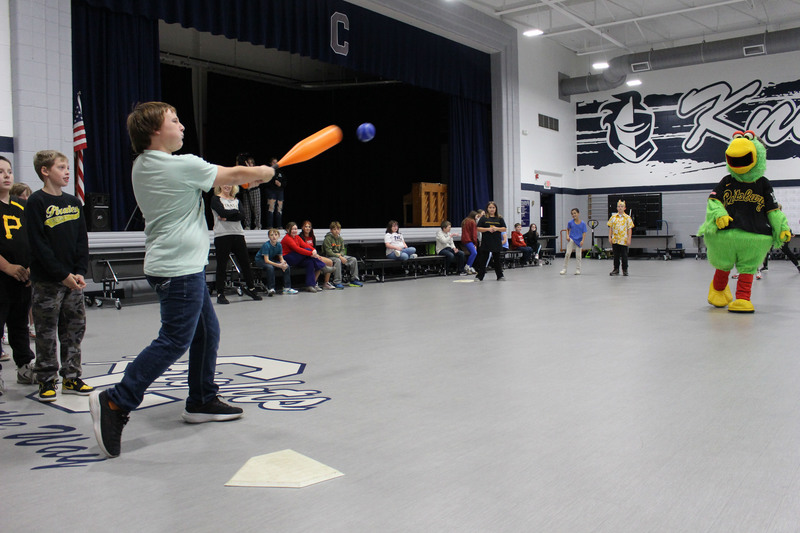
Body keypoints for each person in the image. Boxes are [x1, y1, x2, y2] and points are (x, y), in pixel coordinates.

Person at [89, 102, 275, 458]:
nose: (182, 127)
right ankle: (116, 401)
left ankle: (202, 400)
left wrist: (254, 175)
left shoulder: (143, 165)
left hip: (172, 263)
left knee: (207, 333)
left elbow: (227, 178)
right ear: (154, 132)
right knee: (175, 339)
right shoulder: (179, 165)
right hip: (178, 267)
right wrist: (263, 172)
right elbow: (233, 176)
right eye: (174, 121)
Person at [26, 150, 93, 402]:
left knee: (74, 329)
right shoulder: (36, 202)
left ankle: (72, 376)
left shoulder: (74, 202)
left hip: (73, 282)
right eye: (61, 167)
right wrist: (61, 273)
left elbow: (80, 241)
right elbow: (38, 245)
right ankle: (46, 379)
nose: (67, 172)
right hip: (47, 281)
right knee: (46, 331)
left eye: (68, 167)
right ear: (45, 171)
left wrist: (78, 271)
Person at [0, 156, 35, 395]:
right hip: (2, 276)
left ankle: (24, 365)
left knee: (20, 324)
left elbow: (34, 238)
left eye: (9, 171)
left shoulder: (21, 205)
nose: (6, 175)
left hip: (23, 278)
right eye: (0, 171)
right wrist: (7, 267)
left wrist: (32, 267)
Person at [210, 183, 262, 304]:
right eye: (225, 184)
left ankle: (251, 288)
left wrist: (227, 217)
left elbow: (242, 215)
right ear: (220, 185)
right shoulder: (215, 199)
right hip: (222, 235)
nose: (227, 186)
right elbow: (222, 212)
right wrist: (234, 214)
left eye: (230, 184)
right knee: (222, 265)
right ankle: (220, 293)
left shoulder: (236, 200)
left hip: (238, 234)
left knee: (245, 263)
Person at [10, 183, 35, 338]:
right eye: (21, 196)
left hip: (27, 267)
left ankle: (31, 326)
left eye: (27, 195)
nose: (25, 199)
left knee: (30, 298)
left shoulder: (30, 215)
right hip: (9, 268)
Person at [281, 221, 327, 293]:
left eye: (296, 229)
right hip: (287, 258)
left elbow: (305, 245)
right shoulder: (287, 238)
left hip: (296, 257)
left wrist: (314, 250)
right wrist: (311, 253)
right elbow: (298, 249)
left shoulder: (297, 237)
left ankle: (310, 285)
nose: (294, 231)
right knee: (307, 251)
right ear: (287, 230)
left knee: (310, 262)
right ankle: (323, 267)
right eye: (292, 229)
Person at [255, 228, 297, 296]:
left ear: (278, 236)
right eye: (271, 235)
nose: (274, 237)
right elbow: (266, 260)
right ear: (269, 236)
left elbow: (281, 258)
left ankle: (287, 288)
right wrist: (279, 265)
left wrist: (283, 263)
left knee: (287, 267)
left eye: (275, 235)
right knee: (270, 268)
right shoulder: (266, 245)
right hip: (260, 260)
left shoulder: (279, 245)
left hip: (270, 260)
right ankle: (271, 288)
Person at [322, 221, 363, 287]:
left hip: (339, 255)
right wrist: (339, 257)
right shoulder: (327, 238)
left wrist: (341, 255)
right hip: (329, 256)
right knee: (338, 261)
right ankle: (337, 282)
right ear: (331, 230)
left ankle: (354, 280)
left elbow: (343, 250)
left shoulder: (340, 238)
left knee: (353, 259)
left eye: (338, 229)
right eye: (334, 229)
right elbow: (328, 252)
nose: (336, 231)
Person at [474, 201, 507, 281]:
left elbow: (504, 228)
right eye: (490, 208)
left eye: (493, 208)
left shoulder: (499, 218)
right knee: (483, 260)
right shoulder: (484, 218)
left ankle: (500, 275)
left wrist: (497, 229)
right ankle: (480, 276)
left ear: (496, 209)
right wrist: (488, 229)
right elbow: (478, 228)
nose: (492, 209)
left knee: (497, 260)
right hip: (486, 241)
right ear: (487, 209)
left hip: (496, 241)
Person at [300, 220, 336, 289]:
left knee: (329, 262)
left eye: (309, 227)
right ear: (302, 228)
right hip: (306, 256)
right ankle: (314, 284)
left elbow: (314, 249)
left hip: (314, 255)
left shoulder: (312, 237)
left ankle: (326, 283)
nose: (307, 228)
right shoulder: (300, 237)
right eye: (306, 226)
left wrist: (317, 256)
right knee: (319, 263)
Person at [607, 199, 634, 276]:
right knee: (616, 256)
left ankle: (625, 269)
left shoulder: (627, 218)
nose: (620, 208)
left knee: (624, 256)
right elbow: (611, 228)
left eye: (622, 206)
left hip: (623, 240)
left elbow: (629, 229)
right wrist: (610, 237)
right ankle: (616, 269)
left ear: (625, 208)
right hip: (615, 240)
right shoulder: (613, 217)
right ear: (617, 208)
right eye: (618, 206)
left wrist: (629, 239)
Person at [235, 153, 262, 230]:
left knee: (256, 209)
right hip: (246, 191)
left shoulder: (256, 170)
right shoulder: (244, 170)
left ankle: (258, 225)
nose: (249, 164)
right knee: (246, 209)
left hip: (255, 190)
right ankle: (247, 225)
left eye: (251, 163)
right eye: (248, 162)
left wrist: (249, 167)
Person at [561, 208, 588, 275]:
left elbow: (584, 233)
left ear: (578, 214)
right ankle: (564, 269)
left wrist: (582, 241)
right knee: (567, 254)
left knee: (578, 255)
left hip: (579, 240)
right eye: (572, 214)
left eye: (575, 213)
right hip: (572, 238)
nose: (573, 215)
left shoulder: (583, 224)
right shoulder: (570, 222)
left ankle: (578, 269)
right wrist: (567, 236)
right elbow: (567, 229)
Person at [265, 156, 286, 230]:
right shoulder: (268, 172)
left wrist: (280, 184)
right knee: (271, 208)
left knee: (279, 209)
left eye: (276, 162)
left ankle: (279, 226)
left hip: (280, 192)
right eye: (273, 162)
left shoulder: (280, 172)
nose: (275, 164)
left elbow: (285, 183)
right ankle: (270, 226)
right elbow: (265, 182)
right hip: (271, 192)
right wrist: (273, 182)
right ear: (270, 163)